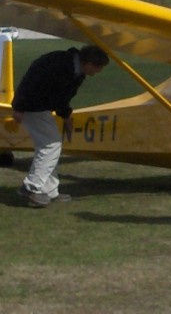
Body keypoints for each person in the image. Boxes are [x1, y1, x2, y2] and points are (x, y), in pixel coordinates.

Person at [11, 43, 110, 206]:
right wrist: (19, 107)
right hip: (33, 106)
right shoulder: (61, 65)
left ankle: (49, 191)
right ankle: (31, 187)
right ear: (89, 63)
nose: (98, 72)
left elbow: (62, 97)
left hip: (41, 107)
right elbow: (31, 82)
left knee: (51, 147)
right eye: (98, 68)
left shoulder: (75, 70)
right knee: (51, 145)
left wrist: (66, 116)